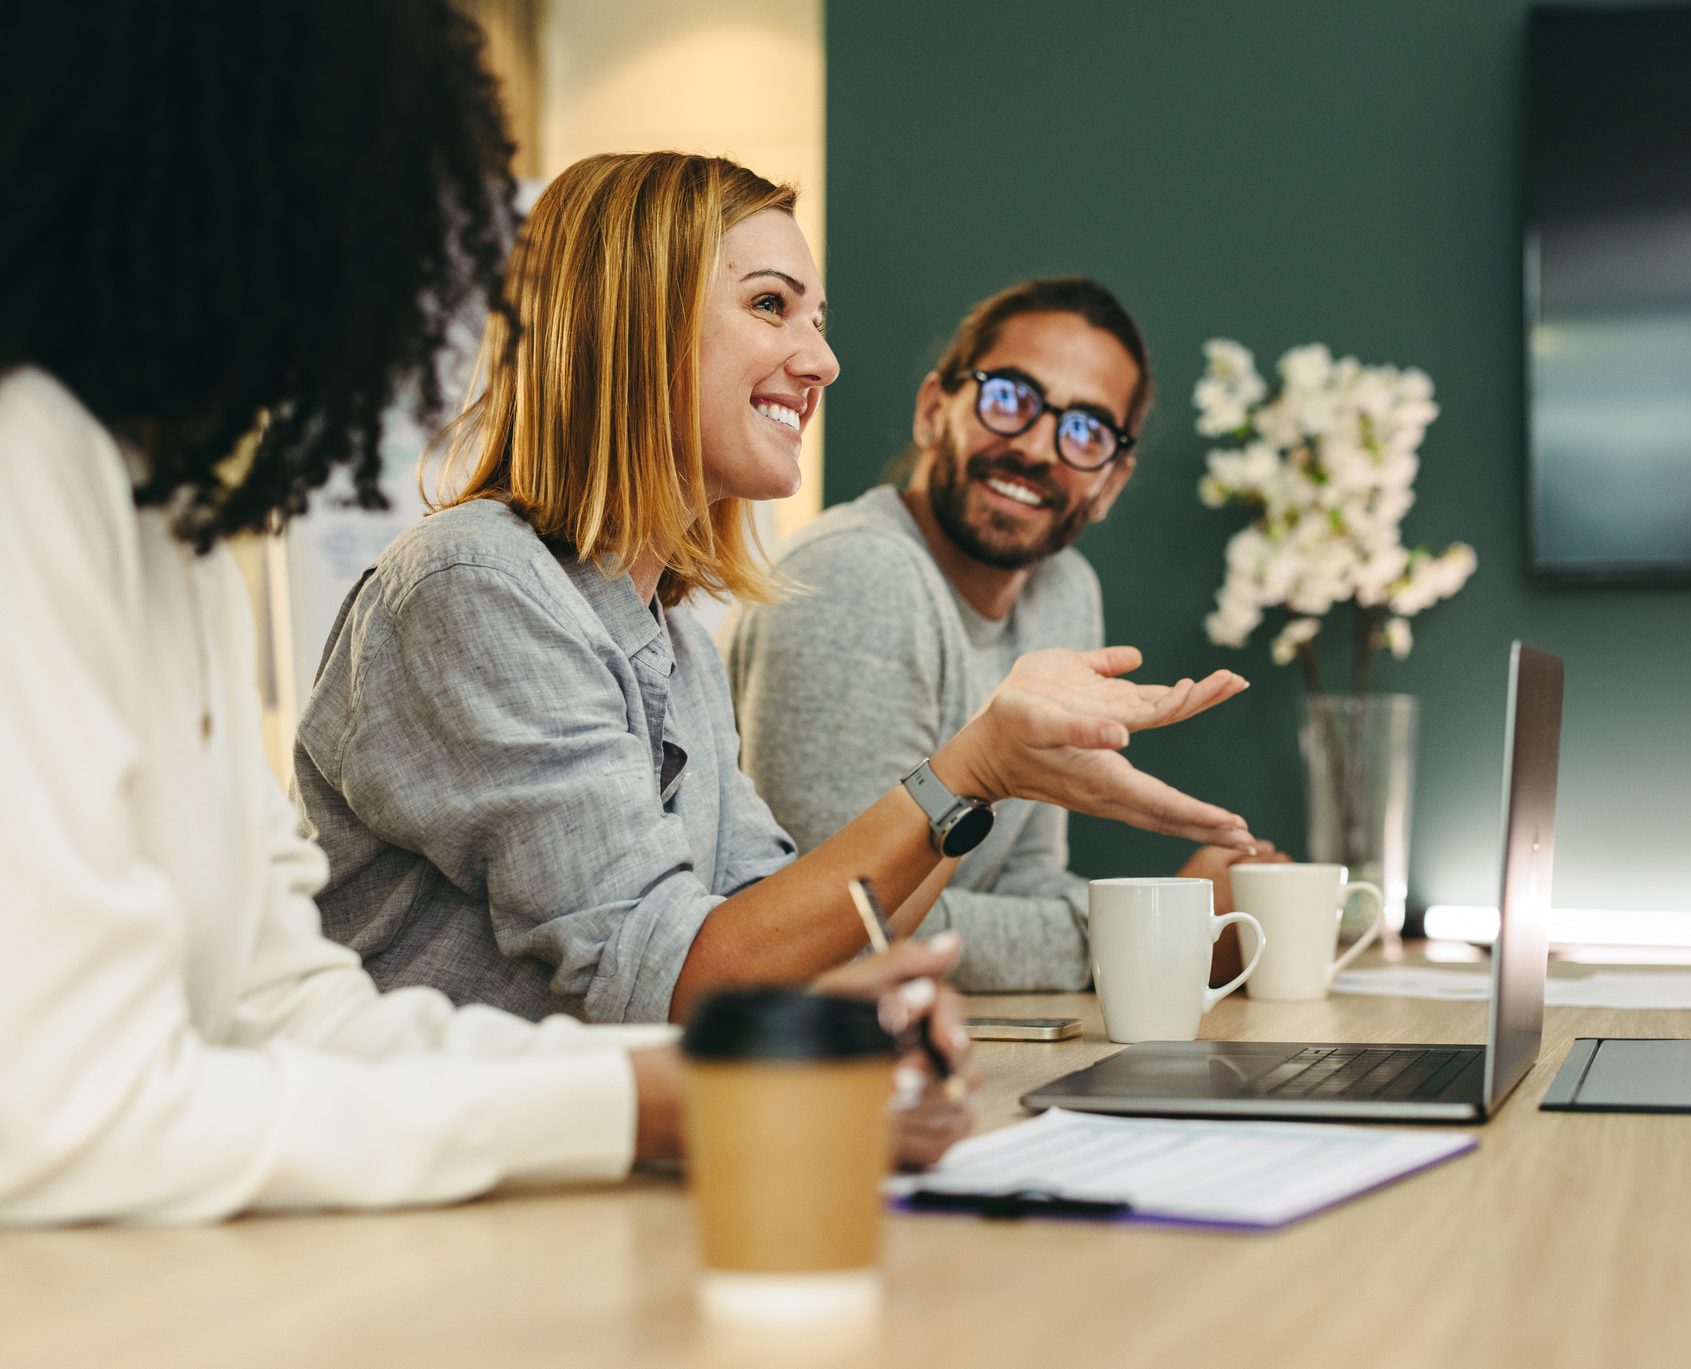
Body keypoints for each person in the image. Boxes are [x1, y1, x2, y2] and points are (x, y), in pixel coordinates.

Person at [0, 1, 966, 1226]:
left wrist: (726, 1070)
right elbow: (67, 1120)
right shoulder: (33, 464)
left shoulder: (168, 530)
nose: (408, 276)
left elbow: (292, 1012)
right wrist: (652, 1103)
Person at [295, 156, 1258, 1026]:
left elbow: (798, 937)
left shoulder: (671, 639)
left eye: (817, 320)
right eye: (769, 305)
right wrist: (974, 769)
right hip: (445, 1190)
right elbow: (674, 976)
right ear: (637, 320)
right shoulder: (476, 584)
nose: (823, 361)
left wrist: (991, 783)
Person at [726, 279, 1274, 992]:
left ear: (1109, 481)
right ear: (932, 410)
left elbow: (1024, 880)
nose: (1040, 448)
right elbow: (843, 934)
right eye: (1010, 397)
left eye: (1085, 431)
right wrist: (1161, 932)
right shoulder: (856, 575)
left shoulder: (1063, 589)